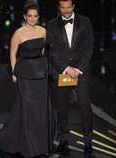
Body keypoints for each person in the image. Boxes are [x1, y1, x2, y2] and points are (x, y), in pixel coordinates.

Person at [0, 1, 49, 158]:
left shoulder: (43, 31)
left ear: (38, 17)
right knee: (26, 107)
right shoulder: (18, 33)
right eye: (30, 16)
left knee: (39, 109)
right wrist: (14, 73)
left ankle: (39, 143)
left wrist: (44, 67)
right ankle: (27, 145)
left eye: (35, 16)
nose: (32, 19)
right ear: (25, 16)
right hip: (24, 73)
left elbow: (44, 50)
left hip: (41, 73)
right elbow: (12, 54)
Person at [46, 0, 94, 156]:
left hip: (82, 72)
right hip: (62, 72)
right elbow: (52, 51)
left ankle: (88, 142)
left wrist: (78, 69)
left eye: (68, 7)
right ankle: (64, 139)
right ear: (59, 7)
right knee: (61, 107)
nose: (66, 11)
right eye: (63, 8)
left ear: (73, 6)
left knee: (84, 108)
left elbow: (89, 47)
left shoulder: (86, 22)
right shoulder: (52, 25)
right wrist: (66, 69)